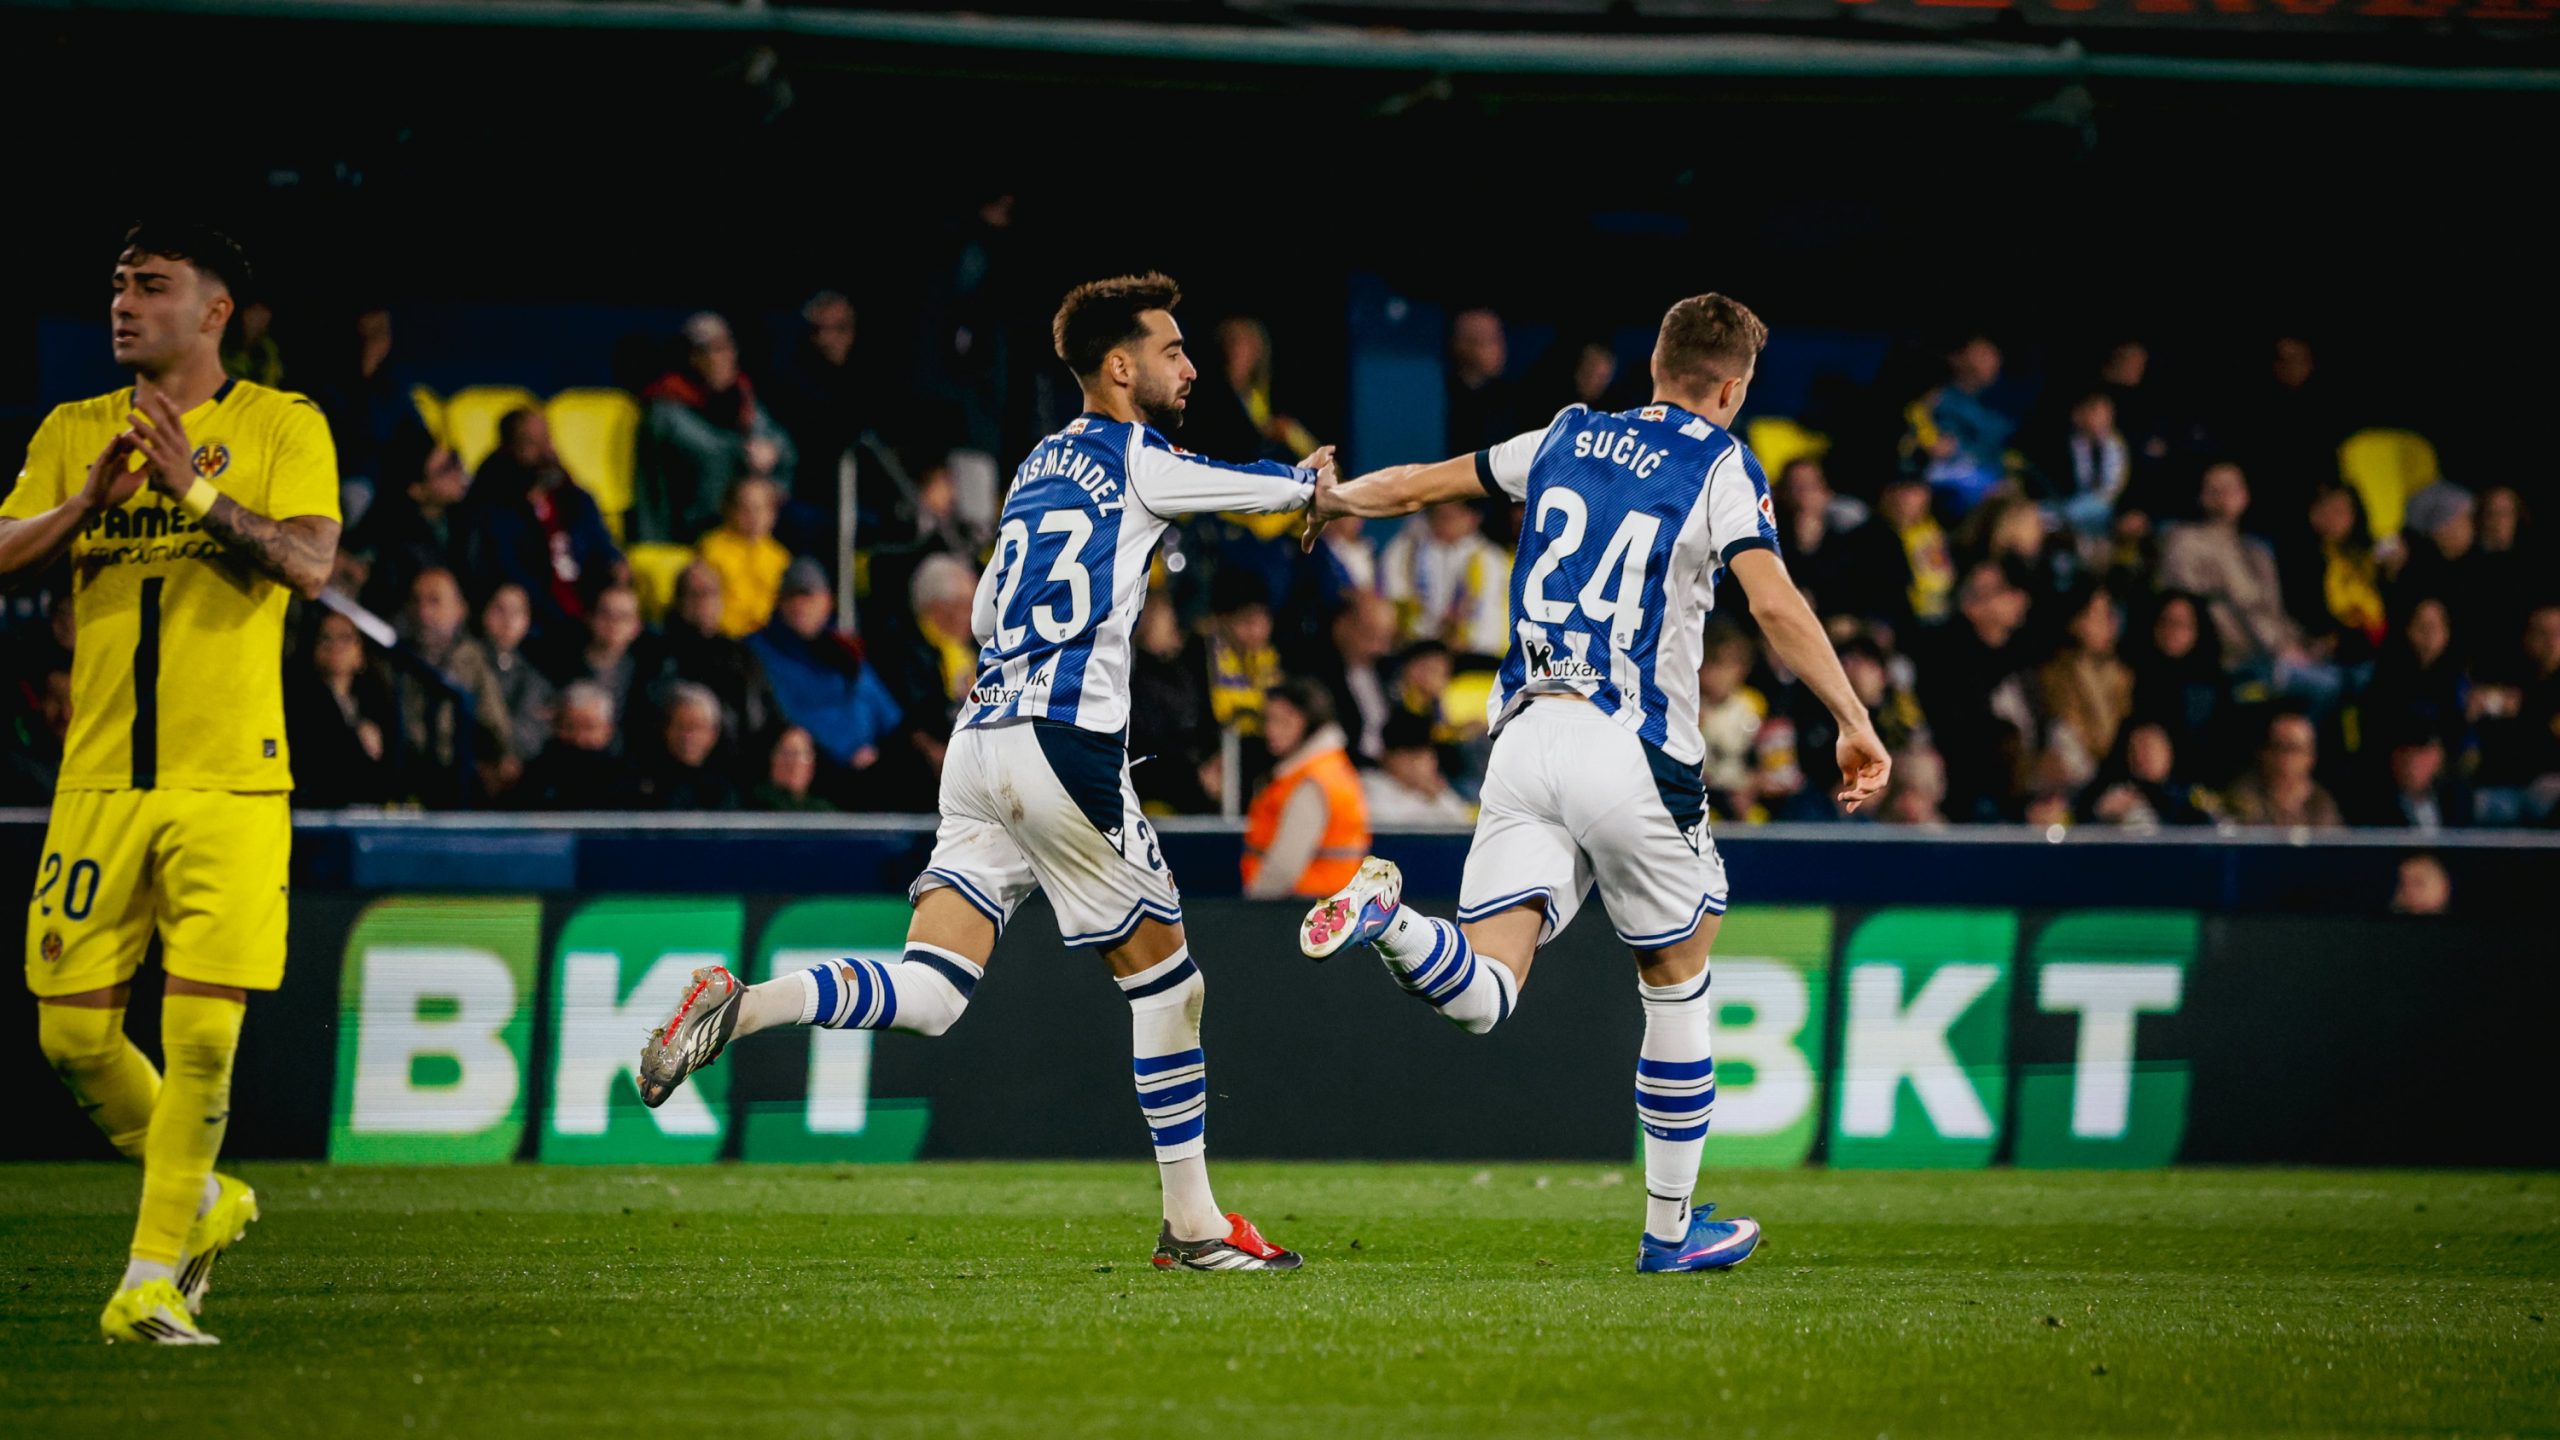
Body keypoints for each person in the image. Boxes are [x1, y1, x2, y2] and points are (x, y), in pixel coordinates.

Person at [639, 274, 1324, 1271]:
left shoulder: (1039, 464)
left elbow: (986, 612)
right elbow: (1257, 488)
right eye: (1172, 349)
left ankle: (743, 1005)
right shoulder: (1140, 455)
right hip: (1060, 743)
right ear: (1119, 365)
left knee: (934, 990)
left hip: (981, 738)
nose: (1188, 365)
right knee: (1169, 986)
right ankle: (1195, 1224)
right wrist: (1310, 486)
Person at [1295, 292, 1889, 1273]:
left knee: (1485, 989)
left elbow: (1417, 488)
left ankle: (1388, 919)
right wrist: (1853, 720)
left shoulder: (1564, 436)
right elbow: (1774, 603)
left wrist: (1332, 498)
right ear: (1733, 388)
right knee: (1679, 970)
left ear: (1653, 365)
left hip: (1523, 739)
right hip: (1629, 748)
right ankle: (1668, 1233)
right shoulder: (1720, 464)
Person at [1, 224, 340, 1343]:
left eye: (152, 287)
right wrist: (84, 507)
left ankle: (147, 1277)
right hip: (96, 775)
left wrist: (192, 493)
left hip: (231, 781)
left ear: (213, 312)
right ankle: (205, 1195)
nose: (123, 305)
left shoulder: (283, 426)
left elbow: (307, 561)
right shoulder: (71, 432)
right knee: (71, 1041)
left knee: (201, 1037)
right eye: (116, 286)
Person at [632, 312, 797, 543]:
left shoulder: (742, 398)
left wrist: (774, 450)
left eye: (729, 347)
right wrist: (653, 545)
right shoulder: (666, 412)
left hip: (758, 522)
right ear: (692, 357)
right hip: (702, 527)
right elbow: (650, 490)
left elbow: (783, 447)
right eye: (714, 349)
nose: (725, 358)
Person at [1241, 679, 1370, 901]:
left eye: (1285, 721)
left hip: (1301, 910)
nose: (1271, 730)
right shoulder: (1329, 768)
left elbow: (1284, 867)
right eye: (1269, 719)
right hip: (1327, 911)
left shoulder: (1311, 782)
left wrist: (1253, 907)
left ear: (1309, 722)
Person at [513, 680, 633, 811]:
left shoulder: (627, 780)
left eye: (589, 728)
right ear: (554, 727)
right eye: (569, 727)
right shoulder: (534, 777)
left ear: (607, 730)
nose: (579, 738)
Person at [696, 475, 791, 639]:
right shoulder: (710, 549)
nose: (754, 516)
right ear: (729, 510)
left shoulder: (780, 557)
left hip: (768, 641)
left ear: (773, 513)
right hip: (722, 638)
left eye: (761, 509)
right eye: (745, 508)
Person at [2224, 711, 2344, 828]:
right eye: (2278, 747)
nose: (2285, 758)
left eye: (2294, 749)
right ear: (2263, 753)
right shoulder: (2242, 796)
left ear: (2310, 756)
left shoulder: (2320, 802)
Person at [634, 682, 741, 811]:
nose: (688, 736)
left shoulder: (727, 787)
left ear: (713, 733)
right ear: (666, 729)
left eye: (697, 727)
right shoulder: (641, 781)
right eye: (681, 726)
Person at [1362, 709, 1475, 826]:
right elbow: (1391, 832)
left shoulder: (1434, 791)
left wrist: (1436, 798)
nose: (1431, 763)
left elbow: (1461, 825)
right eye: (1421, 756)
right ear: (1397, 757)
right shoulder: (1371, 786)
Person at [750, 725, 835, 813]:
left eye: (802, 755)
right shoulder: (754, 806)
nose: (794, 763)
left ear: (811, 766)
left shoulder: (822, 811)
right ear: (772, 759)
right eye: (786, 754)